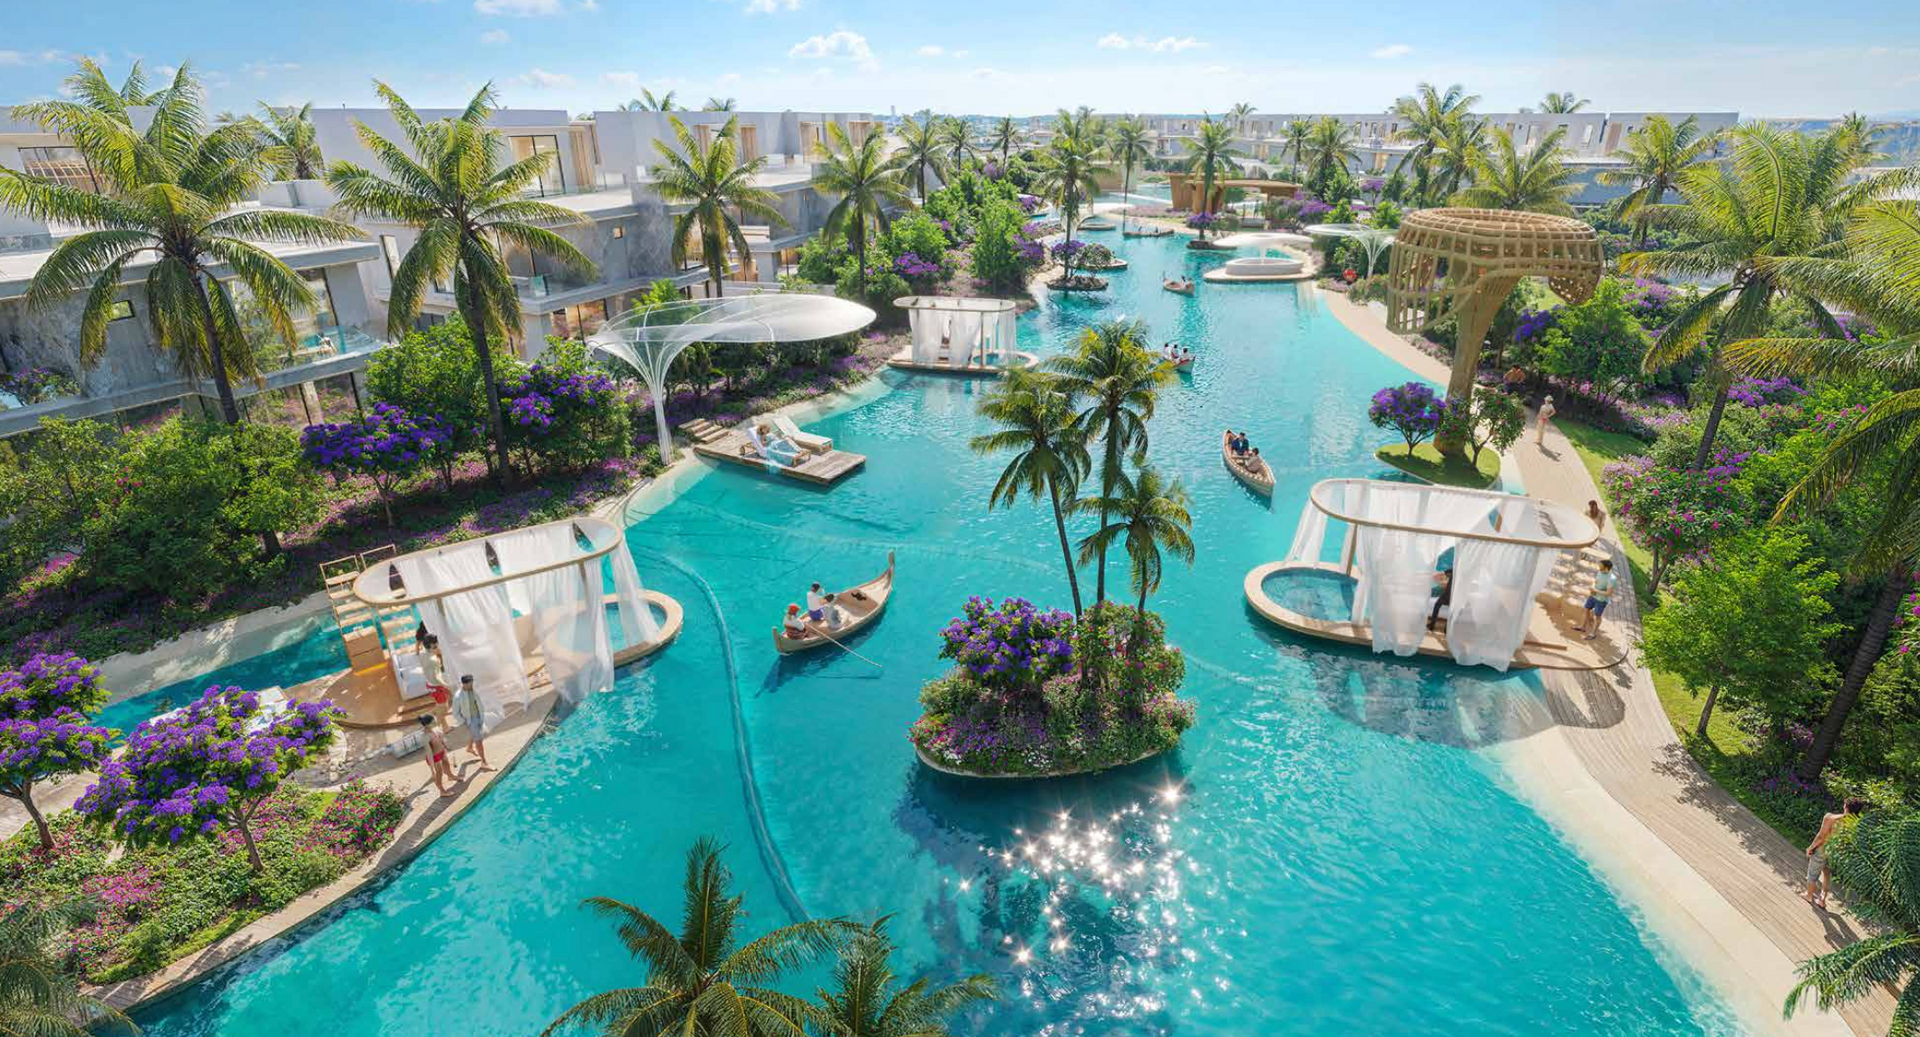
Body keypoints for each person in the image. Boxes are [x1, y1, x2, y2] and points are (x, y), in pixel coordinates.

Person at [1805, 798, 1867, 908]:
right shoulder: (1856, 825)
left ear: (1846, 807)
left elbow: (1821, 837)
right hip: (1836, 854)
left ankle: (1809, 896)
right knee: (1827, 874)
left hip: (1822, 850)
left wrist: (1810, 847)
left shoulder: (1830, 817)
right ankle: (1822, 900)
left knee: (1812, 875)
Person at [449, 674, 492, 771]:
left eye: (472, 683)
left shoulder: (474, 690)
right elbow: (455, 713)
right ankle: (484, 762)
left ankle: (469, 747)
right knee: (479, 740)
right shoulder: (458, 696)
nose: (472, 685)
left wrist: (481, 716)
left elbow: (479, 703)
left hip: (478, 716)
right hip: (469, 720)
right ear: (464, 684)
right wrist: (464, 722)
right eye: (470, 684)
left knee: (475, 734)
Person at [417, 714, 459, 797]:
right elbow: (429, 753)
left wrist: (446, 747)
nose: (435, 722)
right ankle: (442, 791)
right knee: (439, 773)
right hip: (434, 757)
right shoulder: (425, 737)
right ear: (426, 725)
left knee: (447, 764)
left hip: (442, 751)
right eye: (433, 722)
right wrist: (432, 769)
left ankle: (451, 776)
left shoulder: (436, 729)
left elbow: (442, 739)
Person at [1580, 559, 1616, 639]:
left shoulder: (1612, 579)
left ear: (1606, 568)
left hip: (1601, 600)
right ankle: (1582, 627)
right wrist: (1592, 586)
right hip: (1593, 596)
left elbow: (1608, 593)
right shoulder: (1600, 572)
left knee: (1597, 616)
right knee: (1586, 609)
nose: (1599, 567)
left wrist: (1596, 590)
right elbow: (1596, 581)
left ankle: (1593, 634)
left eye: (1601, 566)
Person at [1427, 563, 1453, 632]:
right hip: (1449, 595)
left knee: (1437, 606)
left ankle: (1433, 625)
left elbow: (1444, 573)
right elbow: (1444, 573)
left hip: (1449, 595)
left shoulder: (1453, 570)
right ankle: (1444, 629)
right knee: (1439, 606)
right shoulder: (1456, 571)